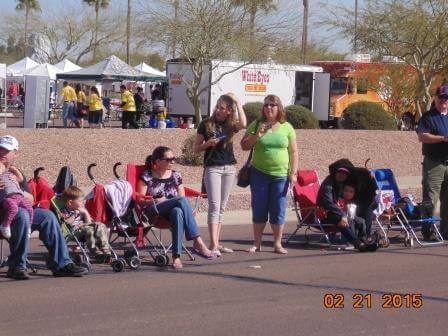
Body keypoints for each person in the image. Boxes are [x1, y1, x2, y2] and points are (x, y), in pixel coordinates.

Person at [0, 135, 88, 279]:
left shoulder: (16, 173)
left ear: (16, 153)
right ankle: (17, 266)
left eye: (6, 150)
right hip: (3, 215)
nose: (2, 153)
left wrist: (17, 187)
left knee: (47, 216)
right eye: (0, 149)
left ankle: (61, 264)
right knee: (22, 214)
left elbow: (30, 199)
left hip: (17, 210)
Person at [136, 146, 214, 269]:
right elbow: (139, 200)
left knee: (178, 212)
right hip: (153, 211)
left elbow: (182, 198)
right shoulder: (147, 176)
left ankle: (176, 257)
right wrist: (153, 201)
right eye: (168, 159)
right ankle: (197, 241)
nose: (172, 162)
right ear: (157, 161)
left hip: (171, 211)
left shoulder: (176, 175)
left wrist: (170, 202)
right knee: (181, 201)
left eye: (174, 159)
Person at [240, 95, 298, 254]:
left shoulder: (287, 127)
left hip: (280, 175)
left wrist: (294, 173)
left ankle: (277, 244)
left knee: (278, 209)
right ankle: (257, 244)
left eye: (273, 105)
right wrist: (256, 135)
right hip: (259, 173)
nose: (269, 108)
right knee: (259, 208)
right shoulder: (256, 124)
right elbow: (244, 146)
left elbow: (293, 152)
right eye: (266, 105)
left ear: (279, 108)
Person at [195, 93, 247, 256]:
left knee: (222, 207)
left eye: (222, 108)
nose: (218, 110)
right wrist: (208, 144)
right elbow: (196, 148)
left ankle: (215, 243)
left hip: (229, 167)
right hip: (213, 168)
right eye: (217, 107)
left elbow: (244, 124)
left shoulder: (230, 124)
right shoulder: (206, 124)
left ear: (229, 111)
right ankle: (214, 245)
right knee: (214, 206)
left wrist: (238, 102)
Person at [317, 159, 378, 252]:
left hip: (340, 210)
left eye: (345, 173)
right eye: (340, 172)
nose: (342, 175)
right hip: (326, 212)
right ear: (335, 172)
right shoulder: (328, 184)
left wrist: (370, 178)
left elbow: (359, 183)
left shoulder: (342, 182)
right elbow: (328, 203)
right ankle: (358, 244)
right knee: (343, 220)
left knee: (362, 218)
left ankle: (365, 240)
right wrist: (343, 214)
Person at [416, 84, 448, 240]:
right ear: (435, 98)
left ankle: (446, 231)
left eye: (447, 98)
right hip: (434, 163)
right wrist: (443, 138)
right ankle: (428, 232)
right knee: (430, 199)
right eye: (441, 97)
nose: (444, 101)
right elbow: (422, 136)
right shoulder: (428, 116)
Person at [60, 186, 111, 262]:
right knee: (89, 229)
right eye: (80, 201)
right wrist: (75, 214)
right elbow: (67, 222)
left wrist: (85, 213)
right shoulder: (64, 211)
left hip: (84, 227)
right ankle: (96, 252)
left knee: (101, 225)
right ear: (70, 203)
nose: (82, 203)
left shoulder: (81, 209)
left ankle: (106, 250)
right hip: (75, 230)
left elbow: (89, 223)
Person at [0, 162, 33, 239]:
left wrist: (15, 170)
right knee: (15, 210)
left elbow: (20, 179)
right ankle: (5, 225)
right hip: (8, 198)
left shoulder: (10, 175)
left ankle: (28, 227)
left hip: (19, 196)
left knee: (30, 209)